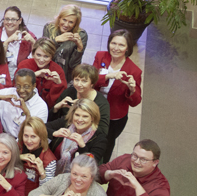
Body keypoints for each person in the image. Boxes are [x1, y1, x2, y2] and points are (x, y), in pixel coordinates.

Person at [92, 29, 142, 162]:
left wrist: (132, 89)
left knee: (106, 144)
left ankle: (100, 168)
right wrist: (109, 76)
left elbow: (135, 101)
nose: (116, 48)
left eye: (121, 45)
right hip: (93, 107)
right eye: (113, 43)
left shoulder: (134, 71)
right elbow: (90, 79)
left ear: (127, 48)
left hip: (113, 117)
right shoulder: (100, 56)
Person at [46, 99, 107, 174]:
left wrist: (82, 146)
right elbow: (39, 127)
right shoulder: (66, 123)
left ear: (92, 118)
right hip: (50, 171)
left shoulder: (100, 138)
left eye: (85, 116)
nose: (80, 119)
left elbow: (92, 164)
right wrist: (54, 133)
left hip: (77, 177)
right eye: (77, 115)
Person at [50, 64, 110, 136]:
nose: (79, 84)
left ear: (92, 83)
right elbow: (52, 120)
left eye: (84, 81)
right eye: (77, 80)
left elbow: (103, 132)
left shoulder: (101, 103)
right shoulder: (69, 92)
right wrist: (56, 108)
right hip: (64, 134)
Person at [0, 69, 49, 138]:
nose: (21, 90)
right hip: (3, 136)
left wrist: (28, 114)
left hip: (24, 143)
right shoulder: (8, 93)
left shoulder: (41, 106)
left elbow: (36, 134)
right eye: (18, 86)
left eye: (26, 86)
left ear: (34, 85)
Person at [43, 5, 88, 84]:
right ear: (59, 18)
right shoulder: (49, 28)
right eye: (64, 20)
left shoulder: (81, 35)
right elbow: (43, 54)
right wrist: (56, 41)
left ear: (75, 24)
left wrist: (79, 49)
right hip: (47, 71)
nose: (66, 25)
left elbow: (73, 66)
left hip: (65, 76)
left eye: (71, 22)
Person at [0, 6, 37, 80]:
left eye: (13, 19)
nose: (9, 22)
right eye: (7, 19)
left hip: (21, 76)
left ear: (20, 20)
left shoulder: (28, 36)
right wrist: (6, 42)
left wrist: (33, 43)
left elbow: (34, 61)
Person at [17, 37, 66, 108]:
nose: (41, 60)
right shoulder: (24, 65)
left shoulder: (58, 71)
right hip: (22, 106)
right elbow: (16, 89)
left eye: (46, 56)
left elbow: (57, 103)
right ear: (33, 53)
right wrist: (34, 75)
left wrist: (58, 84)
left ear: (52, 57)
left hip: (46, 110)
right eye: (38, 55)